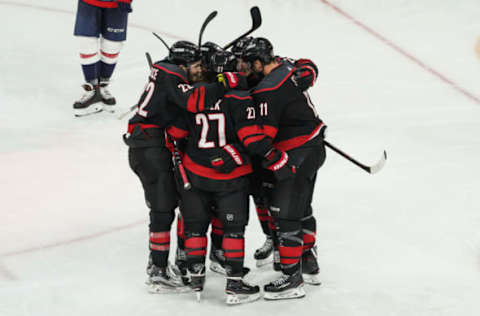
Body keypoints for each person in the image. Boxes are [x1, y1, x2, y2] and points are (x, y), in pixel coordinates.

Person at [167, 48, 293, 304]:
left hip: (196, 173)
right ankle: (234, 286)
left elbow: (176, 133)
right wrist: (276, 158)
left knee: (194, 228)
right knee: (233, 230)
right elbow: (252, 139)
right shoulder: (240, 96)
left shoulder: (195, 95)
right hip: (232, 178)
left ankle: (196, 279)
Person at [123, 40, 229, 293]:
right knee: (162, 210)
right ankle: (157, 271)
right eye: (196, 65)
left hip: (149, 145)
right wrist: (223, 84)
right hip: (149, 148)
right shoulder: (173, 72)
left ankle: (163, 264)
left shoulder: (166, 69)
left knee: (171, 204)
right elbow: (193, 102)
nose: (198, 70)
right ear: (185, 63)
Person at [242, 37, 326, 300]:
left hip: (296, 153)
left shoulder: (267, 90)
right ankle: (308, 260)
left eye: (248, 63)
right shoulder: (288, 66)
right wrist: (309, 71)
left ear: (259, 62)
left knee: (285, 214)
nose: (244, 68)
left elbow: (264, 138)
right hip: (314, 147)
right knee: (302, 209)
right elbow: (308, 65)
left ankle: (292, 279)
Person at [73, 0, 133, 117]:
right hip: (88, 2)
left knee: (112, 45)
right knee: (86, 41)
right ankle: (92, 89)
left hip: (116, 5)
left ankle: (102, 87)